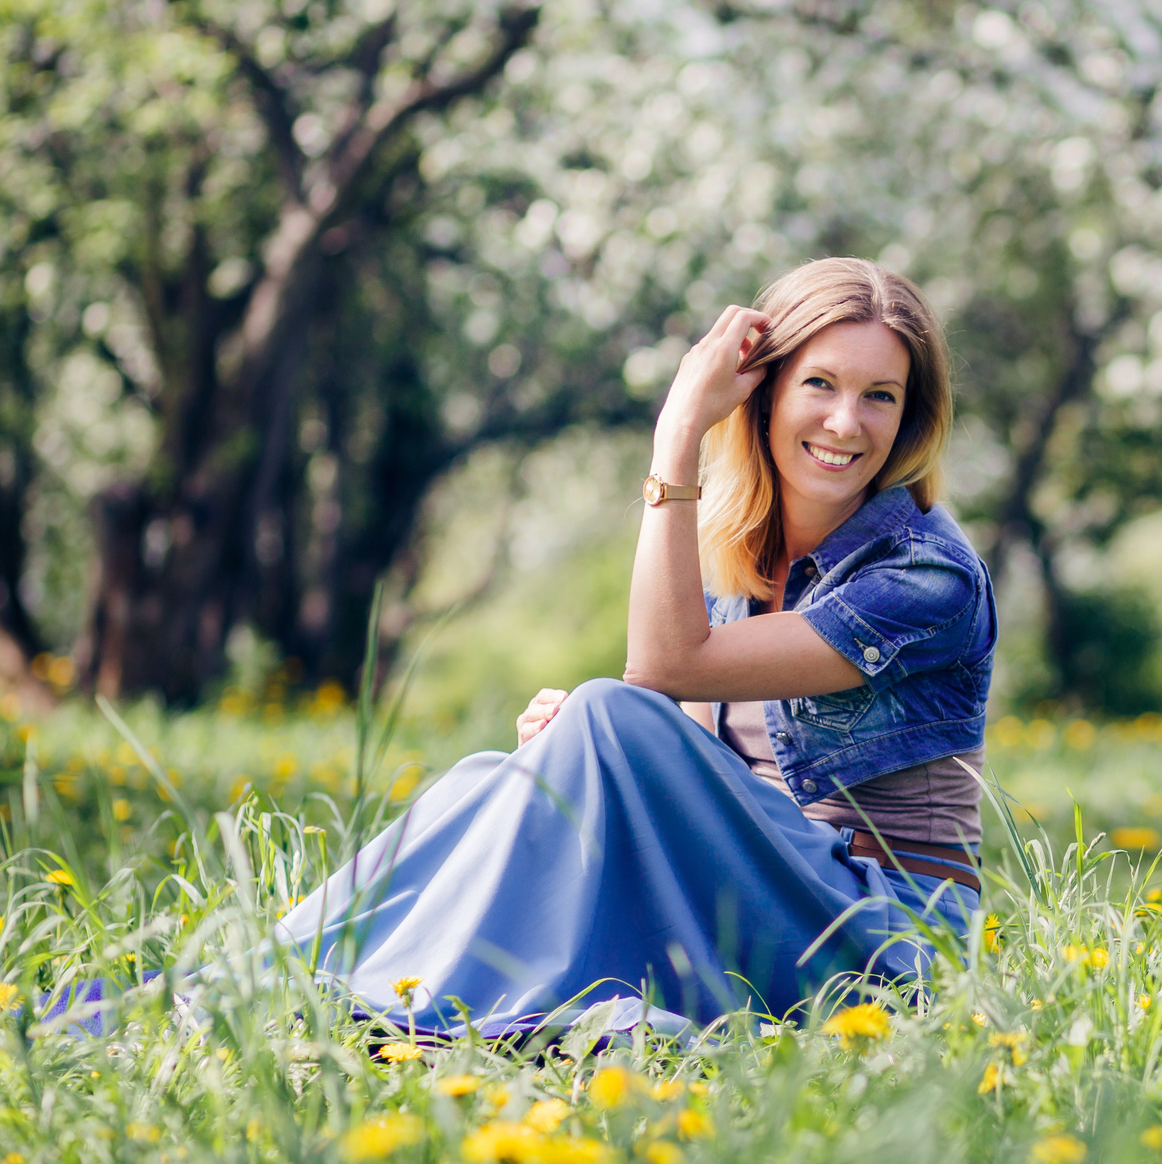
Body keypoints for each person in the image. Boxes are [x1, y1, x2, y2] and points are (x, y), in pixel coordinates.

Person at [270, 257, 995, 1041]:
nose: (847, 422)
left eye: (879, 396)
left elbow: (661, 669)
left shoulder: (927, 574)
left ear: (909, 418)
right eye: (820, 384)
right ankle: (273, 976)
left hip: (888, 937)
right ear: (767, 391)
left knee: (608, 711)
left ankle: (419, 1001)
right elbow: (664, 724)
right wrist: (568, 750)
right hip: (764, 891)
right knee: (490, 775)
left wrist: (678, 430)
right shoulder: (743, 555)